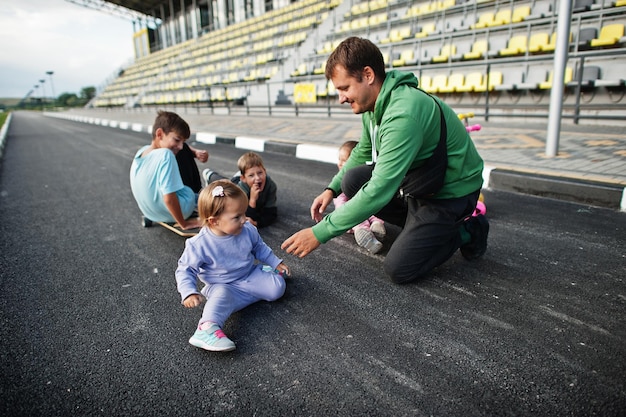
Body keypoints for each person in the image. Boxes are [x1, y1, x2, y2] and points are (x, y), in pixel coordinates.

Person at [281, 36, 489, 284]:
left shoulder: (403, 113)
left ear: (368, 75)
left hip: (450, 193)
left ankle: (465, 230)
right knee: (352, 180)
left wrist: (320, 232)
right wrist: (331, 188)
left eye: (344, 88)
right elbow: (361, 151)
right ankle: (421, 229)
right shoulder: (375, 106)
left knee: (399, 268)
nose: (341, 98)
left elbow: (380, 189)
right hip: (422, 183)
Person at [175, 180, 289, 352]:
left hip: (248, 275)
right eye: (237, 217)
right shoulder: (200, 244)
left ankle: (256, 282)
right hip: (221, 285)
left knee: (277, 289)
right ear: (214, 221)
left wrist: (275, 262)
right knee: (222, 295)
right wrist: (189, 292)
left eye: (243, 213)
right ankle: (206, 329)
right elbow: (185, 269)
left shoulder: (247, 229)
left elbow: (259, 247)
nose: (244, 220)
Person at [130, 111, 201, 230]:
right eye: (177, 140)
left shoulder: (141, 152)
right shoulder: (166, 155)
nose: (180, 146)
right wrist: (184, 223)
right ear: (160, 134)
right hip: (181, 209)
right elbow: (169, 197)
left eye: (183, 142)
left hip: (150, 213)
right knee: (215, 198)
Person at [334, 140, 386, 254]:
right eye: (339, 159)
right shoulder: (341, 182)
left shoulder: (356, 179)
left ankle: (377, 224)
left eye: (344, 161)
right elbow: (340, 202)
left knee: (371, 208)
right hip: (353, 212)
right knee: (349, 210)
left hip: (363, 208)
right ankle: (363, 231)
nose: (340, 163)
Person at [203, 152, 278, 228]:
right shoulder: (240, 190)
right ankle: (209, 174)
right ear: (244, 178)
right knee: (223, 184)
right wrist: (252, 200)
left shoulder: (271, 185)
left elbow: (271, 214)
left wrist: (256, 223)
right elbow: (242, 215)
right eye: (251, 175)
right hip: (235, 183)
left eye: (260, 173)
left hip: (243, 179)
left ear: (265, 171)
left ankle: (243, 174)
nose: (257, 178)